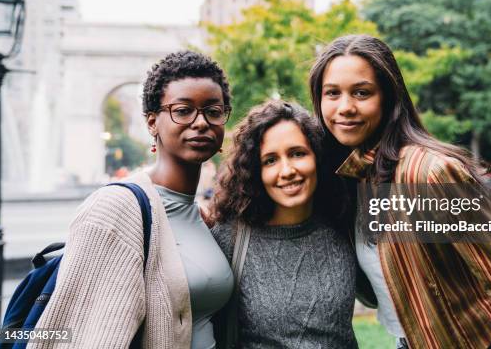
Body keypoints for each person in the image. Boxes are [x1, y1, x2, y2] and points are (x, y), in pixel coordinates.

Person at [309, 35, 491, 349]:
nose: (345, 107)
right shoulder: (354, 174)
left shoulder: (427, 174)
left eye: (361, 92)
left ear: (388, 98)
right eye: (332, 93)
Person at [30, 51, 234, 348]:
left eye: (213, 111)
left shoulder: (202, 218)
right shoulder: (114, 209)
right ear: (152, 122)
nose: (200, 122)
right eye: (183, 110)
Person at [210, 100, 358, 348]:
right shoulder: (230, 238)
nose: (287, 170)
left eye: (297, 153)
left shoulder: (344, 223)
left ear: (317, 157)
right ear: (255, 171)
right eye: (270, 160)